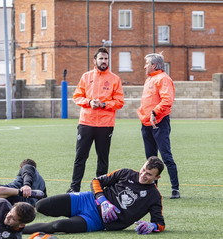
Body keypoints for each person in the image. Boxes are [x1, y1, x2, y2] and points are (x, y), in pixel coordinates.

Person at [23, 156, 165, 235]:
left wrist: (152, 226)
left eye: (149, 174)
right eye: (143, 169)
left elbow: (160, 223)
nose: (143, 175)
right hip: (86, 200)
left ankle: (17, 229)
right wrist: (102, 201)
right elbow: (96, 181)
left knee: (57, 226)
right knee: (41, 205)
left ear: (157, 177)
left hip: (95, 220)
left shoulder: (154, 196)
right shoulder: (126, 173)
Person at [67, 47, 124, 193]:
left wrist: (104, 104)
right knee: (80, 157)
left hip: (105, 125)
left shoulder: (115, 79)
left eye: (106, 59)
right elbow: (76, 97)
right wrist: (89, 102)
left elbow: (119, 102)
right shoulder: (86, 77)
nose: (104, 61)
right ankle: (74, 188)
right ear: (95, 60)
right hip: (86, 123)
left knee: (103, 159)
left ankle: (99, 189)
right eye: (101, 58)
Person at [137, 52, 180, 199]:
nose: (144, 66)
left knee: (166, 156)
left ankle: (175, 189)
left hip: (159, 123)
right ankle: (152, 189)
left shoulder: (163, 79)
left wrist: (155, 112)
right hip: (146, 124)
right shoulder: (149, 80)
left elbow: (167, 100)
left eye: (147, 63)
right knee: (150, 158)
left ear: (154, 65)